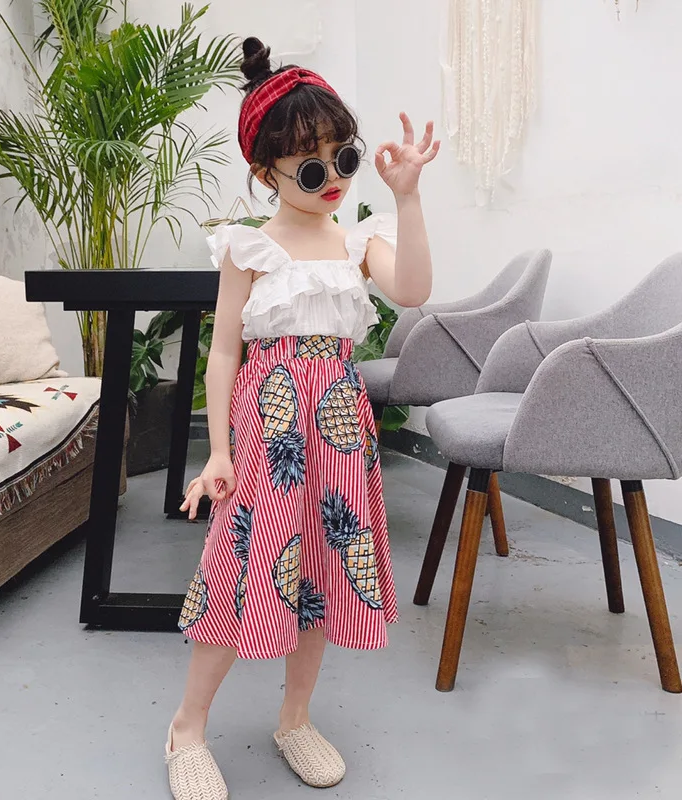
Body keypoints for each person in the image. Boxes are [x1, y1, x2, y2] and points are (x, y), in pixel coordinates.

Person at [165, 36, 439, 800]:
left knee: (320, 569)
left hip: (340, 431)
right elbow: (224, 354)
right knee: (241, 569)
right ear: (267, 173)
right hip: (268, 431)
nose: (333, 179)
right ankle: (187, 727)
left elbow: (413, 291)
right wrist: (218, 451)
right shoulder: (248, 248)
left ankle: (295, 718)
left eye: (343, 158)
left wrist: (408, 197)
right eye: (311, 169)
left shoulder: (358, 242)